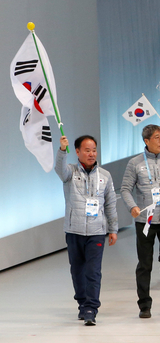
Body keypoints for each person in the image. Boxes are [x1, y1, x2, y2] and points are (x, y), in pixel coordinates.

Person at [120, 125, 160, 318]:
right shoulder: (135, 163)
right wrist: (132, 206)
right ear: (146, 141)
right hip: (145, 220)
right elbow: (125, 189)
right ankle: (144, 304)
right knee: (144, 264)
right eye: (157, 137)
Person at [55, 134, 117, 326]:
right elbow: (59, 169)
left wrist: (113, 228)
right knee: (77, 270)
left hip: (97, 231)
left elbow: (110, 203)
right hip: (74, 230)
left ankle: (91, 308)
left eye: (94, 150)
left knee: (93, 271)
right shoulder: (70, 173)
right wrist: (62, 150)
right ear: (78, 152)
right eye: (87, 150)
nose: (91, 154)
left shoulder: (105, 175)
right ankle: (82, 303)